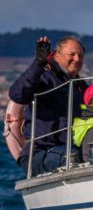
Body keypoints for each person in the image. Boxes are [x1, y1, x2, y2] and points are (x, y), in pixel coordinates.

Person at [9, 36, 87, 176]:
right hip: (40, 152)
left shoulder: (79, 85)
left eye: (80, 55)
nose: (77, 59)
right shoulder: (44, 77)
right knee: (73, 156)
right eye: (72, 54)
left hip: (69, 148)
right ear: (57, 55)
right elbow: (17, 94)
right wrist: (38, 63)